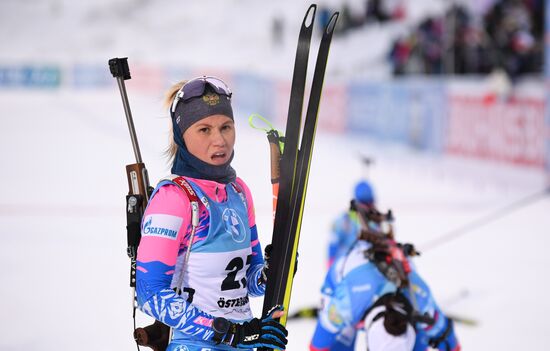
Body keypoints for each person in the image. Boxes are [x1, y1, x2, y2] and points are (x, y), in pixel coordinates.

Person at [135, 76, 288, 351]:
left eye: (226, 127)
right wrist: (229, 333)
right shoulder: (174, 198)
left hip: (244, 342)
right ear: (182, 135)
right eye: (204, 130)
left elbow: (247, 283)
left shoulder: (238, 192)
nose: (219, 140)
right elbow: (150, 293)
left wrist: (270, 272)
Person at [310, 204, 460, 351]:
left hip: (375, 289)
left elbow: (449, 340)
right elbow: (318, 343)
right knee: (339, 341)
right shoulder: (346, 305)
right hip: (343, 282)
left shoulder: (421, 301)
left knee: (421, 340)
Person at [327, 180, 376, 267]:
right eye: (364, 204)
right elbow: (333, 243)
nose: (368, 207)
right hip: (345, 270)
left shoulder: (376, 223)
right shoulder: (344, 222)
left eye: (370, 203)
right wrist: (331, 263)